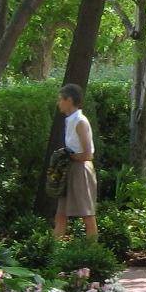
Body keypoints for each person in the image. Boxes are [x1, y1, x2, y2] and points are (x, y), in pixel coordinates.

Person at [53, 84, 98, 240]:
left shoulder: (80, 121)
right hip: (70, 170)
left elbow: (88, 154)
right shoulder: (70, 120)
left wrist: (68, 155)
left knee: (87, 214)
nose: (58, 103)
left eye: (60, 99)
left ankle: (94, 255)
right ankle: (53, 254)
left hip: (81, 170)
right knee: (61, 214)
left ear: (69, 100)